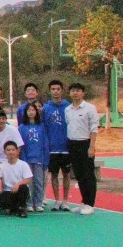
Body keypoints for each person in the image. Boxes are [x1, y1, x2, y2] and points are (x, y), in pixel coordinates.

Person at [66, 82, 100, 215]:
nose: (75, 93)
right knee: (79, 174)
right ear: (70, 93)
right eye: (73, 91)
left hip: (85, 144)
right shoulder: (68, 110)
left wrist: (92, 147)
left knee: (88, 174)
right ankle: (84, 202)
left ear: (83, 93)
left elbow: (94, 128)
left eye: (78, 90)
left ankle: (90, 204)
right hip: (72, 144)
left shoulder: (90, 108)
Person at [43, 80, 72, 211]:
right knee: (54, 175)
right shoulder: (46, 108)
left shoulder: (69, 107)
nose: (56, 91)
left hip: (66, 148)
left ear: (62, 90)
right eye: (53, 89)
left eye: (58, 89)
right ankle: (57, 200)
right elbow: (43, 127)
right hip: (52, 148)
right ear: (50, 91)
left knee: (66, 174)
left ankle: (65, 201)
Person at [18, 102, 49, 212]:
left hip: (39, 159)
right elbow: (21, 144)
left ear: (36, 112)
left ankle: (39, 203)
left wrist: (45, 158)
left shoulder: (41, 126)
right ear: (25, 112)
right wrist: (23, 158)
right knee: (29, 183)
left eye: (33, 110)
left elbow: (45, 143)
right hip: (27, 159)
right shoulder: (22, 127)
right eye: (29, 110)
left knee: (39, 182)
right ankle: (29, 203)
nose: (31, 112)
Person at [0, 141, 31, 218]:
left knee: (23, 187)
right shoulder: (2, 166)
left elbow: (27, 180)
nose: (11, 152)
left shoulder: (23, 164)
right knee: (3, 199)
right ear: (5, 152)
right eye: (8, 150)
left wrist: (17, 184)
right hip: (8, 191)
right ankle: (13, 208)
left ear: (17, 151)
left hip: (20, 190)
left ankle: (21, 208)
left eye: (13, 150)